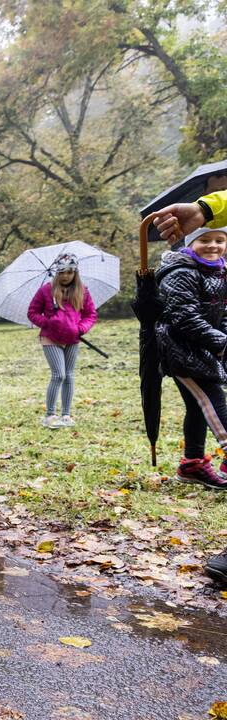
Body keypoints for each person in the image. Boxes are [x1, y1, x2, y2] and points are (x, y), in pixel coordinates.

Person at [152, 191, 227, 588]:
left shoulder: (220, 272)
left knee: (199, 408)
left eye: (220, 240)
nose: (213, 245)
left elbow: (224, 311)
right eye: (205, 239)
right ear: (190, 241)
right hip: (185, 353)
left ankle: (192, 463)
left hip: (207, 350)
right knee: (213, 404)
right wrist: (221, 341)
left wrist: (222, 336)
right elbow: (182, 315)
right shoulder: (181, 271)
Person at [26, 254, 98, 429]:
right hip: (50, 338)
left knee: (69, 376)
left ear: (75, 273)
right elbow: (32, 312)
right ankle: (50, 415)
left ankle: (66, 414)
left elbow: (90, 315)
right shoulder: (46, 290)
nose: (66, 275)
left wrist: (80, 328)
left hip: (73, 338)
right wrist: (48, 323)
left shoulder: (83, 291)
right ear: (57, 272)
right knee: (59, 374)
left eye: (70, 272)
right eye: (63, 272)